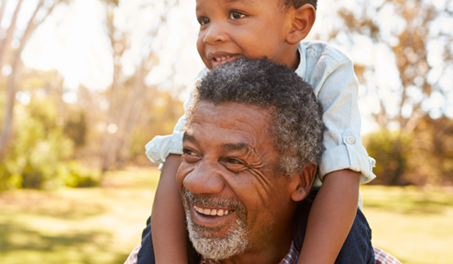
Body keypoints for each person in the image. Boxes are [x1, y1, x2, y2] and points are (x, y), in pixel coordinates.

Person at [140, 0, 377, 263]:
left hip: (318, 208)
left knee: (350, 228)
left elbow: (343, 172)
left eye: (236, 14)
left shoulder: (327, 69)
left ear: (297, 24)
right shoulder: (208, 82)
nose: (211, 34)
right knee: (160, 224)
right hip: (244, 218)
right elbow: (176, 156)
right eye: (203, 20)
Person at [127, 58, 399, 264]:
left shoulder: (330, 70)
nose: (197, 182)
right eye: (191, 154)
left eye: (233, 160)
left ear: (302, 180)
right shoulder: (145, 257)